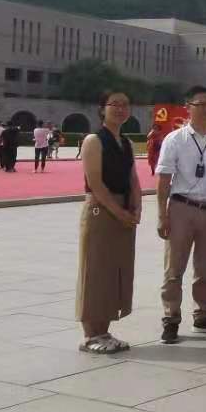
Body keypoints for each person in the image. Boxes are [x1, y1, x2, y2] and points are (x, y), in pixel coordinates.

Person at [156, 87, 206, 343]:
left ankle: (203, 315)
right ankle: (171, 318)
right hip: (182, 209)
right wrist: (162, 215)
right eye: (201, 104)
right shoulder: (175, 139)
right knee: (174, 269)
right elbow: (163, 180)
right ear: (188, 107)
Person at [77, 91, 141, 354]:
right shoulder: (94, 140)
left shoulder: (125, 143)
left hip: (123, 209)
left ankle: (103, 331)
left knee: (114, 270)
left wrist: (136, 206)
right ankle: (90, 335)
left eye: (125, 104)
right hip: (101, 210)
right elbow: (95, 183)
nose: (120, 108)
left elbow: (133, 178)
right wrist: (118, 212)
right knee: (95, 271)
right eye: (114, 104)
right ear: (102, 109)